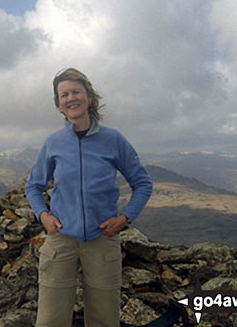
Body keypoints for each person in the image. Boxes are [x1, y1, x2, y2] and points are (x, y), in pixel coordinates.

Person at [25, 68, 153, 327]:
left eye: (76, 92)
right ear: (59, 104)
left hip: (102, 240)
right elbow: (33, 185)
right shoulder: (54, 143)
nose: (70, 98)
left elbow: (142, 183)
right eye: (64, 95)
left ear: (89, 97)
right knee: (50, 321)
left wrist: (125, 218)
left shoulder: (113, 140)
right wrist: (44, 216)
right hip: (60, 240)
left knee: (104, 320)